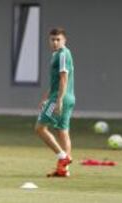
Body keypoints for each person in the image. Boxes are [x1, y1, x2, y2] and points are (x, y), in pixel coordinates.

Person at [35, 28, 75, 177]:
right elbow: (55, 81)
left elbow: (64, 78)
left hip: (60, 98)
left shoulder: (63, 54)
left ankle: (63, 157)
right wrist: (46, 96)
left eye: (58, 39)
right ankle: (63, 169)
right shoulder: (57, 55)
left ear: (64, 40)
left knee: (39, 128)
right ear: (49, 40)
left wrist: (58, 100)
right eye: (52, 39)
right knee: (62, 131)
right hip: (67, 97)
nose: (55, 42)